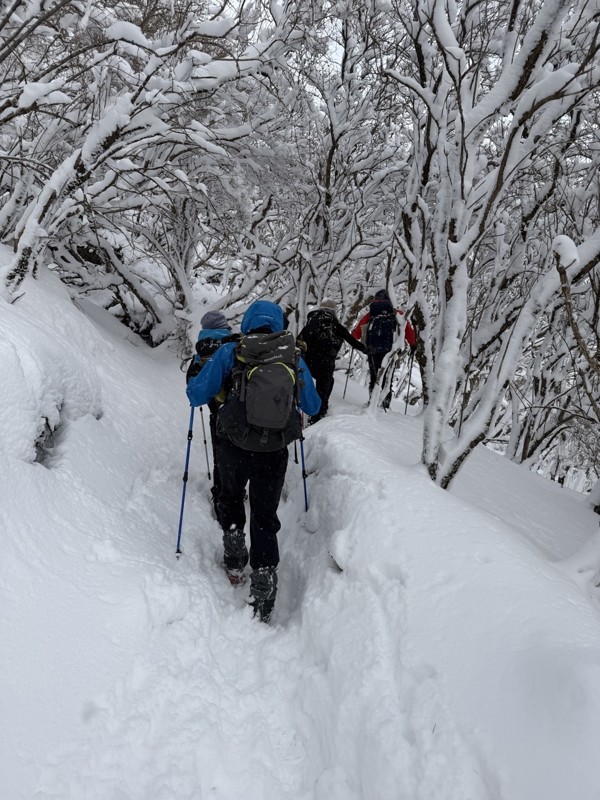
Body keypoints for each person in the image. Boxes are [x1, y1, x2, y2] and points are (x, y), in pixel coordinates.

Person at [186, 300, 320, 623]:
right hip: (273, 453)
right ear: (278, 325)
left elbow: (196, 394)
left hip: (233, 446)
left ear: (246, 323)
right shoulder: (293, 356)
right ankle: (264, 591)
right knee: (263, 515)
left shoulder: (232, 351)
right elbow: (313, 405)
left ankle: (234, 559)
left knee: (231, 498)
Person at [186, 310, 238, 521]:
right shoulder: (234, 345)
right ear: (224, 325)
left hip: (217, 412)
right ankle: (238, 491)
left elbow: (193, 386)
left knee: (221, 457)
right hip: (240, 411)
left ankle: (221, 496)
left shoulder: (202, 349)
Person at [297, 300, 367, 424]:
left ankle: (308, 407)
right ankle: (319, 413)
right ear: (334, 312)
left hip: (310, 361)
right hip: (326, 362)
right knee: (325, 385)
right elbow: (351, 340)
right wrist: (366, 349)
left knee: (310, 383)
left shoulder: (311, 322)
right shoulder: (335, 324)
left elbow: (299, 341)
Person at [351, 289, 417, 396]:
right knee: (387, 377)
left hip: (372, 349)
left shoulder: (372, 313)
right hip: (390, 348)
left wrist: (353, 338)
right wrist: (413, 344)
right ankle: (384, 403)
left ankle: (372, 400)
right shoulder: (396, 313)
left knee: (374, 376)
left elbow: (359, 328)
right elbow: (408, 329)